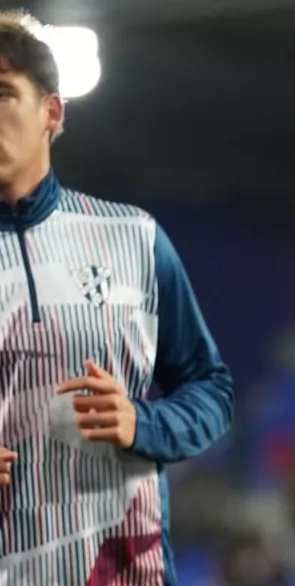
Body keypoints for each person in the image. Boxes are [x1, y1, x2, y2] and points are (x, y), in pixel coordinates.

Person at [0, 11, 234, 585]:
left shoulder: (134, 238)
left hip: (127, 570)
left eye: (2, 92)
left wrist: (142, 422)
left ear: (52, 111)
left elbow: (212, 391)